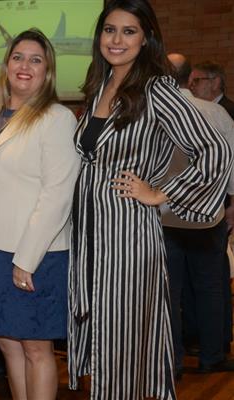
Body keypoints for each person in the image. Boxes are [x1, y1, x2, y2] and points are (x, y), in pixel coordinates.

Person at [68, 1, 233, 398]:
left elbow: (214, 151)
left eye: (129, 31)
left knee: (122, 343)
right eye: (110, 30)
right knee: (105, 341)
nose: (117, 39)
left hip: (128, 236)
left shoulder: (156, 88)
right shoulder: (99, 84)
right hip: (91, 233)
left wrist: (161, 192)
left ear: (146, 39)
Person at [0, 29, 79, 400]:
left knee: (37, 348)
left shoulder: (57, 118)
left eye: (36, 60)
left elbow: (57, 195)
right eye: (19, 57)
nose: (25, 66)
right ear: (6, 66)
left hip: (36, 253)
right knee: (6, 343)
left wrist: (27, 259)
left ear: (47, 72)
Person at [161, 53, 234, 378]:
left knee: (169, 292)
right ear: (190, 79)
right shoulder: (214, 111)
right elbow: (231, 159)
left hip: (164, 216)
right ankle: (212, 356)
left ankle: (172, 361)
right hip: (208, 217)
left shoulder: (157, 113)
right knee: (210, 288)